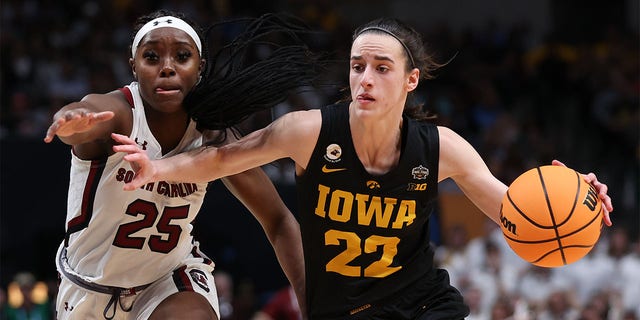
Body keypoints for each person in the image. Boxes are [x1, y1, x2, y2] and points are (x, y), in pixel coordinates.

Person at [112, 17, 614, 319]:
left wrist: (575, 201)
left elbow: (513, 211)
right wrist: (157, 168)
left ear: (411, 80)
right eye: (357, 66)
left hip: (420, 302)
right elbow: (222, 158)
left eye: (381, 67)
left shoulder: (441, 148)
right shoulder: (309, 131)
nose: (365, 78)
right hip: (343, 309)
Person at [43, 9, 322, 320]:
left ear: (199, 67)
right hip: (89, 290)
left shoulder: (214, 137)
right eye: (152, 57)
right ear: (133, 66)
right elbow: (85, 115)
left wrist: (312, 303)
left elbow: (279, 220)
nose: (167, 68)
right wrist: (71, 119)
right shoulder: (119, 113)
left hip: (167, 281)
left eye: (181, 56)